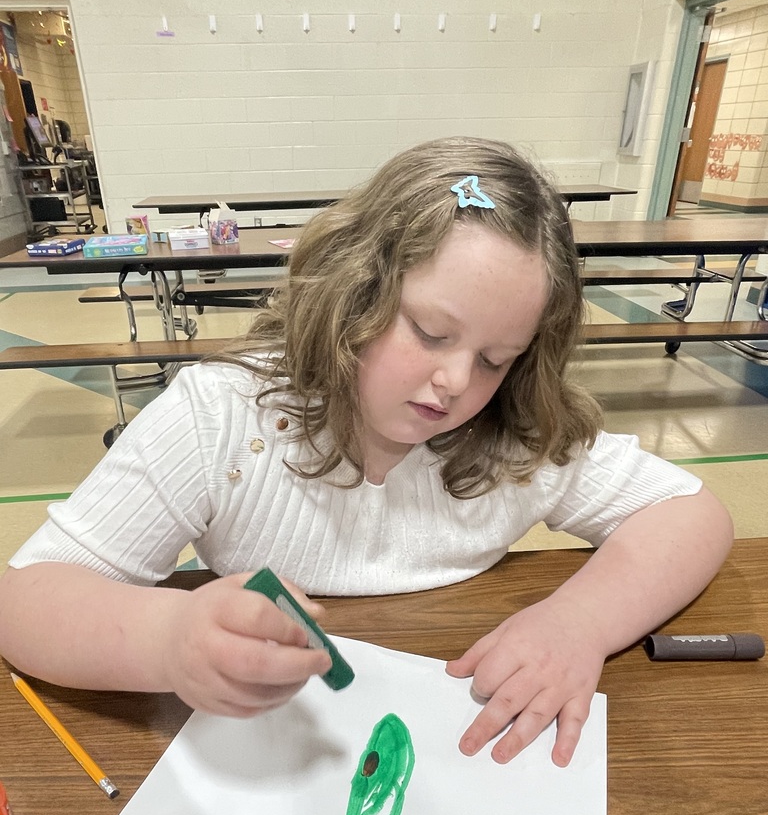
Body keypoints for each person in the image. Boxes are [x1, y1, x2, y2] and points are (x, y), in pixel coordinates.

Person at [0, 136, 733, 768]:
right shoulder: (223, 418)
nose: (454, 383)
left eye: (495, 358)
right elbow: (25, 602)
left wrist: (580, 622)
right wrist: (167, 640)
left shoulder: (513, 436)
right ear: (356, 290)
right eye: (430, 332)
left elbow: (690, 515)